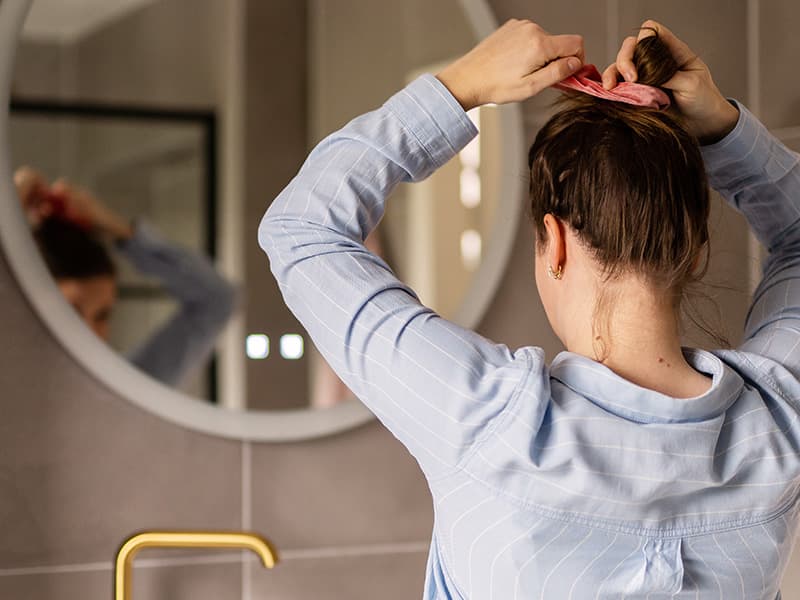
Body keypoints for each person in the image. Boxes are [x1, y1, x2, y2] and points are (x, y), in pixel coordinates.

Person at [260, 17, 800, 598]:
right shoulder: (777, 423)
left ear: (556, 243)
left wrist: (460, 88)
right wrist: (722, 127)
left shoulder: (491, 420)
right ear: (697, 252)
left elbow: (302, 228)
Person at [15, 167, 237, 388]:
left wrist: (117, 228)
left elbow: (217, 300)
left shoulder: (132, 387)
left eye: (103, 315)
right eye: (71, 311)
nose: (89, 332)